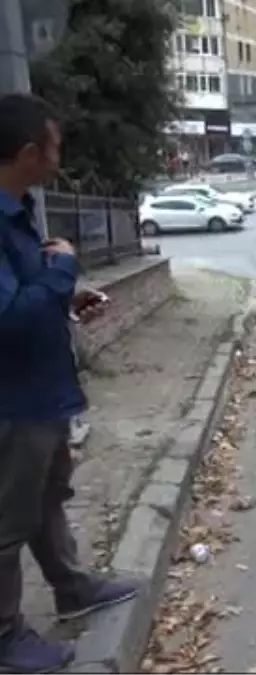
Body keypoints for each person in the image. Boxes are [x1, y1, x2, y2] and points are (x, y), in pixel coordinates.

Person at [0, 93, 140, 672]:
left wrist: (66, 295)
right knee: (7, 520)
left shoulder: (17, 211)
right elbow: (8, 320)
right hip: (14, 401)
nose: (60, 159)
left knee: (47, 497)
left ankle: (72, 585)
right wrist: (64, 269)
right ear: (30, 151)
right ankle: (5, 637)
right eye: (55, 147)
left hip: (41, 392)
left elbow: (28, 298)